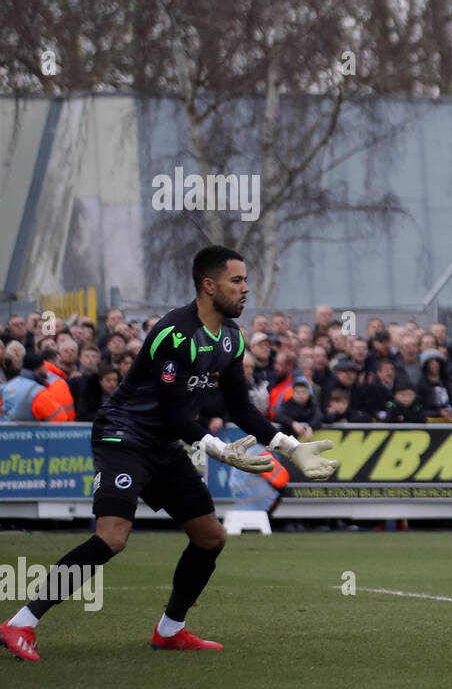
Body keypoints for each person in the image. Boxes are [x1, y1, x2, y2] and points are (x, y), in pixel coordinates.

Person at [0, 246, 339, 662]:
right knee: (112, 537)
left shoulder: (232, 338)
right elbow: (170, 412)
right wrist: (217, 449)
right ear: (208, 286)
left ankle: (170, 630)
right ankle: (22, 622)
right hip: (123, 435)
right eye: (238, 281)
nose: (246, 289)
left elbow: (240, 407)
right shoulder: (174, 332)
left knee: (210, 537)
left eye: (246, 280)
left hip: (163, 443)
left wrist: (289, 447)